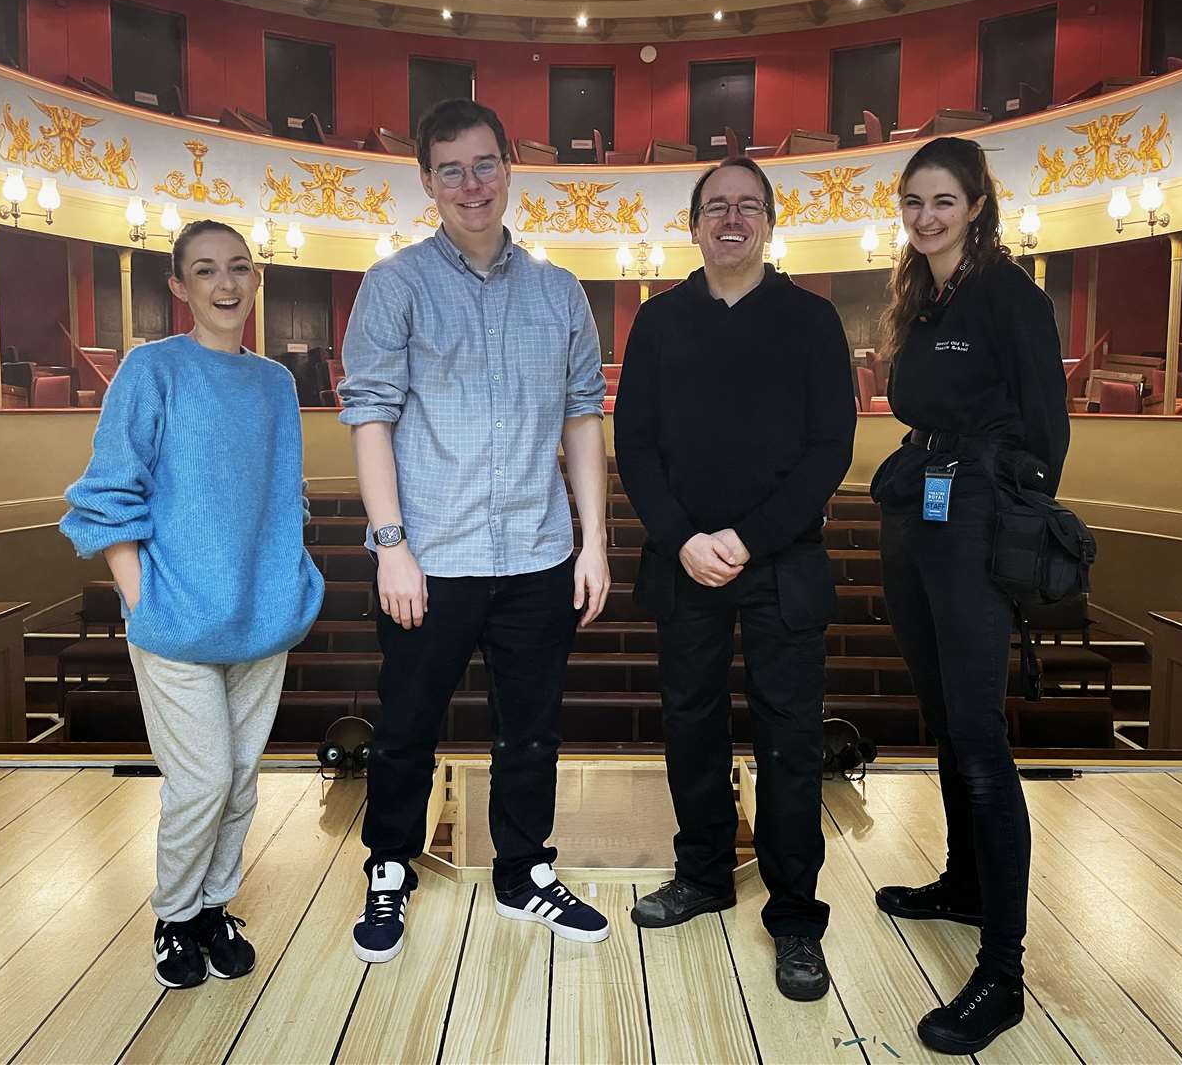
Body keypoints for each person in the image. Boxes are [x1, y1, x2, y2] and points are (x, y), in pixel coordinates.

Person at [337, 98, 611, 964]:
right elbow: (370, 416)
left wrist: (593, 541)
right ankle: (389, 865)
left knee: (531, 729)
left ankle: (524, 871)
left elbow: (580, 419)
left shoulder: (559, 292)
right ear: (426, 181)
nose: (470, 184)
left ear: (508, 169)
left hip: (536, 554)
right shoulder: (395, 285)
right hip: (430, 558)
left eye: (484, 164)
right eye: (450, 169)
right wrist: (391, 546)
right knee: (407, 726)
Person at [614, 156, 856, 1001]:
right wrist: (682, 537)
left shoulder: (811, 321)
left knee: (789, 743)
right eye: (714, 206)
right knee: (691, 727)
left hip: (781, 563)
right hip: (681, 564)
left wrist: (745, 539)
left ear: (767, 223)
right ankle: (705, 874)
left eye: (746, 206)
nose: (730, 218)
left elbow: (830, 450)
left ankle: (793, 916)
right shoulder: (657, 322)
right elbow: (634, 446)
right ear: (692, 224)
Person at [60, 220, 325, 990]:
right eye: (205, 270)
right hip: (174, 618)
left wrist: (291, 581)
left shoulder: (274, 382)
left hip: (261, 616)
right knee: (202, 781)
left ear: (256, 278)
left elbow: (281, 498)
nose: (225, 283)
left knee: (240, 780)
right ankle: (174, 918)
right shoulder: (151, 370)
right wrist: (142, 602)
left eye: (239, 268)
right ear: (179, 287)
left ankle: (214, 907)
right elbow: (108, 494)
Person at [868, 137, 1069, 1055]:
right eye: (913, 202)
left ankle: (1003, 969)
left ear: (977, 205)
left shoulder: (1010, 298)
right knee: (943, 717)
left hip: (978, 524)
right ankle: (962, 882)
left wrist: (997, 503)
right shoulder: (923, 295)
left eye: (942, 201)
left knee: (979, 737)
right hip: (923, 509)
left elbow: (1046, 436)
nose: (925, 217)